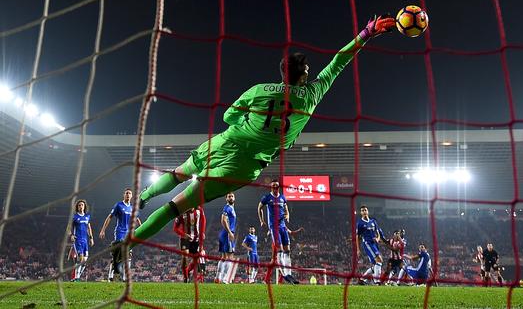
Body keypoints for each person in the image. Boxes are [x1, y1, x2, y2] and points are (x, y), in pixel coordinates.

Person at [132, 15, 396, 246]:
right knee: (174, 208)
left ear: (282, 73)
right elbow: (339, 62)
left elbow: (228, 115)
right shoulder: (311, 95)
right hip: (243, 166)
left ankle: (144, 196)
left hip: (226, 143)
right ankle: (126, 246)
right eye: (307, 70)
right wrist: (366, 33)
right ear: (303, 75)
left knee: (179, 173)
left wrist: (247, 122)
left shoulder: (259, 89)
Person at [258, 179, 298, 284]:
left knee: (287, 250)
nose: (275, 187)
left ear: (279, 187)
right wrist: (262, 220)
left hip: (283, 226)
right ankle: (284, 274)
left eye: (277, 186)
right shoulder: (267, 198)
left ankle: (289, 274)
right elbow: (259, 208)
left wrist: (288, 215)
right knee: (279, 251)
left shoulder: (282, 197)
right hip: (273, 227)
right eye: (273, 186)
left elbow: (286, 207)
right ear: (271, 187)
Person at [98, 188, 142, 281]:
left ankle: (125, 277)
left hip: (129, 233)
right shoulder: (118, 205)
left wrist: (142, 229)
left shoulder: (133, 207)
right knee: (117, 255)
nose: (128, 195)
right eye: (126, 193)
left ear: (132, 196)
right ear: (124, 195)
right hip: (120, 232)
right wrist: (103, 230)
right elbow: (110, 217)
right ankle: (110, 274)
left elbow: (137, 219)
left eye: (129, 193)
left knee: (128, 254)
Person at [173, 206, 205, 283]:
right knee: (185, 257)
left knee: (197, 259)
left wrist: (202, 232)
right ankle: (186, 278)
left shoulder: (199, 209)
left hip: (196, 239)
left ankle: (188, 272)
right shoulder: (182, 212)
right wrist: (184, 234)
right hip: (185, 239)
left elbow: (203, 220)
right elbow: (175, 228)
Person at [356, 205, 385, 285]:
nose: (364, 211)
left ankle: (362, 279)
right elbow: (357, 236)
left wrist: (378, 239)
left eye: (365, 210)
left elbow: (378, 233)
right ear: (361, 213)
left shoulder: (373, 222)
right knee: (379, 260)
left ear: (367, 211)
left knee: (376, 263)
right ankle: (376, 281)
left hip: (374, 244)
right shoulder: (360, 223)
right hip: (367, 244)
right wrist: (358, 249)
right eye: (362, 210)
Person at [69, 199, 94, 282]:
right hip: (78, 240)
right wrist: (71, 235)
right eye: (79, 205)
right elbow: (69, 228)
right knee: (81, 259)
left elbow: (89, 227)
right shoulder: (75, 217)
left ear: (84, 206)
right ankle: (76, 278)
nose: (81, 206)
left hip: (85, 241)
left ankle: (76, 277)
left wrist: (91, 238)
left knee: (84, 262)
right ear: (77, 207)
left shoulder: (87, 217)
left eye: (82, 205)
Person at [216, 193, 237, 284]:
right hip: (227, 234)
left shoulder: (231, 208)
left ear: (234, 198)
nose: (231, 198)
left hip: (224, 234)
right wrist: (229, 232)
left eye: (232, 196)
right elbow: (223, 220)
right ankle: (225, 279)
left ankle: (218, 277)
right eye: (229, 196)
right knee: (230, 257)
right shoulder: (227, 208)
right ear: (226, 199)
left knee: (224, 257)